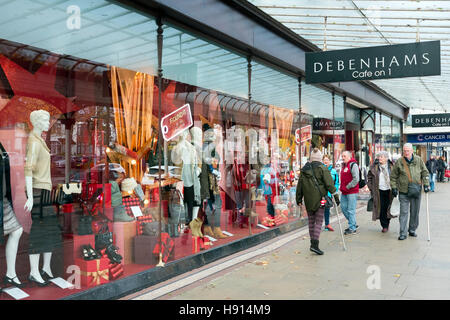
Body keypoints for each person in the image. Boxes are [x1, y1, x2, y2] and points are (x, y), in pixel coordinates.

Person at [296, 148, 339, 255]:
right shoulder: (322, 169)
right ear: (319, 158)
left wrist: (298, 199)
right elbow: (330, 185)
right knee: (319, 221)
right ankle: (315, 245)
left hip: (308, 199)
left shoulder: (304, 170)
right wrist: (336, 198)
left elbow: (299, 186)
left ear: (311, 158)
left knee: (311, 221)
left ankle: (312, 243)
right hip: (320, 199)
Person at [390, 143, 430, 240]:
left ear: (412, 151)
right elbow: (393, 176)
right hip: (403, 191)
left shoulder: (419, 160)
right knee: (404, 212)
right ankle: (403, 233)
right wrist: (394, 187)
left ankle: (412, 229)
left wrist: (426, 184)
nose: (406, 152)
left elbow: (425, 172)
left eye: (408, 150)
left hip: (416, 190)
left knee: (415, 211)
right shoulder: (399, 161)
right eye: (404, 151)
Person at [367, 151, 395, 233]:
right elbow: (369, 177)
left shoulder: (392, 167)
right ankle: (384, 225)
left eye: (381, 157)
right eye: (379, 157)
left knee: (388, 207)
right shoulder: (374, 167)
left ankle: (387, 222)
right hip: (379, 191)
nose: (380, 158)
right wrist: (371, 187)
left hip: (390, 190)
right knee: (381, 208)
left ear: (386, 158)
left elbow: (396, 177)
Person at [339, 150, 360, 235]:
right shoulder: (344, 166)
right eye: (342, 156)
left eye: (344, 156)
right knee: (343, 208)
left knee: (351, 210)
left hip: (351, 191)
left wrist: (348, 186)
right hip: (344, 191)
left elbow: (356, 179)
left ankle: (352, 228)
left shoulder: (353, 165)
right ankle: (353, 223)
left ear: (349, 156)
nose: (342, 157)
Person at [322, 154, 339, 231]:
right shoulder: (320, 170)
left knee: (326, 208)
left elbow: (336, 182)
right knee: (320, 208)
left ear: (330, 161)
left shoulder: (333, 171)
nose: (326, 161)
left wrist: (334, 190)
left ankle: (327, 224)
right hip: (321, 194)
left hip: (329, 194)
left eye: (327, 160)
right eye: (324, 160)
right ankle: (319, 224)